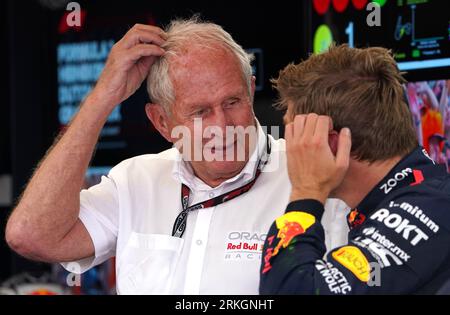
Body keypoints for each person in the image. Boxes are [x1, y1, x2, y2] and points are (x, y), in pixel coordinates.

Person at [5, 18, 349, 294]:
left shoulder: (314, 175)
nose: (222, 125)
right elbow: (31, 236)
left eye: (232, 102)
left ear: (250, 90)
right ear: (162, 122)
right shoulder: (135, 180)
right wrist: (102, 99)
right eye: (200, 112)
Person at [260, 45, 450, 294]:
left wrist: (306, 194)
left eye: (296, 134)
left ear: (331, 142)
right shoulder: (420, 198)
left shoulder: (428, 209)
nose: (291, 147)